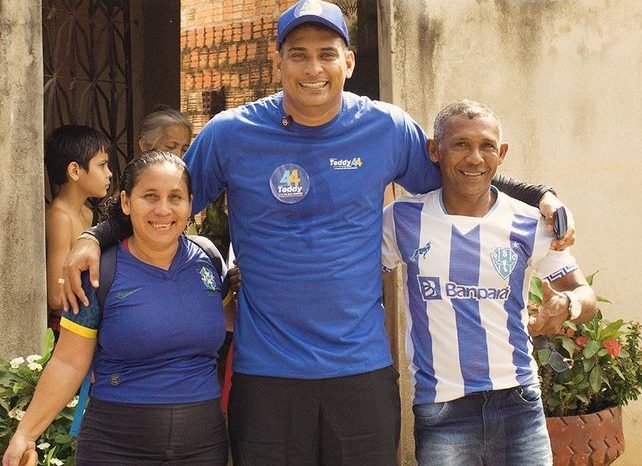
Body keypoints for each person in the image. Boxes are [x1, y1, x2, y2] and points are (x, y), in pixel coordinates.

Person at [62, 1, 574, 463]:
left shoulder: (385, 128)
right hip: (267, 375)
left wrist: (537, 192)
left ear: (348, 62)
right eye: (299, 54)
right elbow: (165, 197)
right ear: (277, 61)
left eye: (327, 54)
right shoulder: (231, 134)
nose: (313, 69)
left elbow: (459, 165)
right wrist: (97, 235)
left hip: (361, 370)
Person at [381, 100, 597, 465]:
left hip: (519, 405)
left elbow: (585, 297)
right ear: (435, 150)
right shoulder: (402, 219)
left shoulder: (531, 224)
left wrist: (568, 305)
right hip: (441, 410)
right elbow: (356, 281)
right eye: (461, 144)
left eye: (487, 146)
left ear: (502, 154)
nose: (475, 158)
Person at [3, 151, 229, 466]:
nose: (163, 209)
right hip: (114, 446)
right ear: (126, 202)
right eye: (150, 196)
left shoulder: (210, 261)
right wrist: (26, 434)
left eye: (174, 197)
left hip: (203, 446)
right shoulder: (97, 272)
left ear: (190, 203)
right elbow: (68, 362)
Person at [44, 125, 112, 335]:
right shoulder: (60, 218)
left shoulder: (86, 213)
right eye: (102, 165)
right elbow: (56, 296)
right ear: (75, 171)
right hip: (68, 329)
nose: (109, 174)